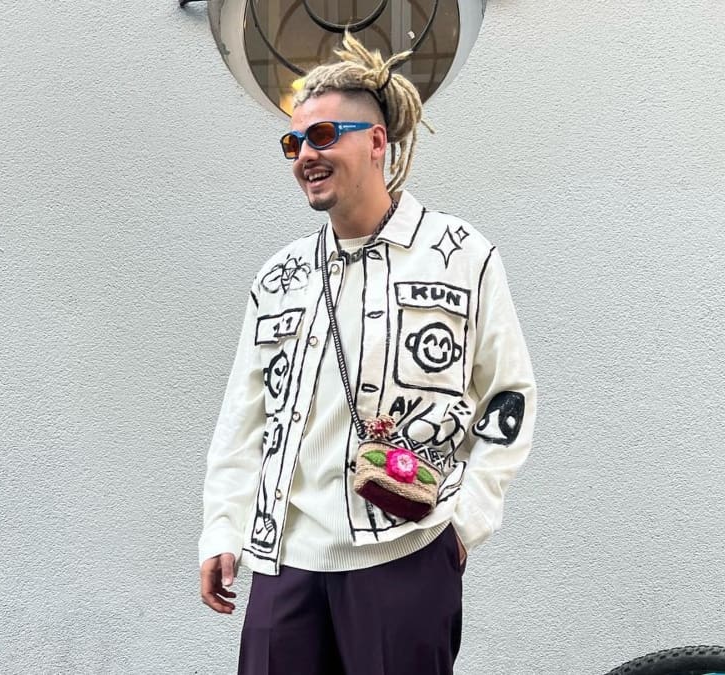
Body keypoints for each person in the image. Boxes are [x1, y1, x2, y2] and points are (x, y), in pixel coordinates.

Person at [198, 32, 537, 675]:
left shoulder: (460, 256)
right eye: (294, 143)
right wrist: (222, 527)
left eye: (324, 136)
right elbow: (244, 417)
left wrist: (465, 524)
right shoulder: (280, 277)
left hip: (404, 555)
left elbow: (509, 396)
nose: (305, 154)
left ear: (377, 142)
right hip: (285, 562)